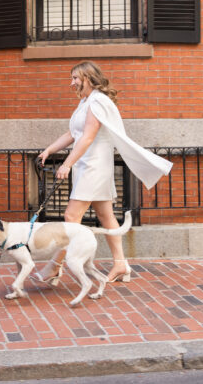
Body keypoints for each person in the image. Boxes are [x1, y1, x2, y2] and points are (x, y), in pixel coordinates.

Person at [36, 61, 173, 284]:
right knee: (106, 216)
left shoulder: (98, 102)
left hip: (94, 166)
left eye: (75, 79)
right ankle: (121, 265)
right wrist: (50, 150)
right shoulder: (85, 102)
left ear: (88, 79)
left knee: (71, 217)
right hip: (87, 165)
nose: (72, 83)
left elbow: (88, 137)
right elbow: (73, 134)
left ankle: (54, 266)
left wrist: (67, 163)